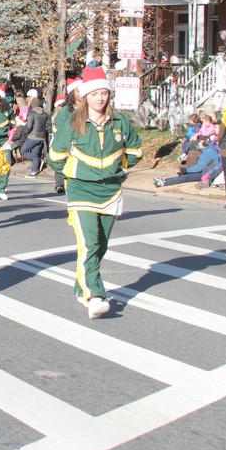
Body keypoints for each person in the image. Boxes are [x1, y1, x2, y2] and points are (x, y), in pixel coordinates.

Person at [48, 67, 142, 319]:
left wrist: (118, 169)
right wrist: (74, 173)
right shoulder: (73, 123)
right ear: (85, 96)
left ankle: (82, 286)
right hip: (80, 191)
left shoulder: (120, 122)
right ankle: (95, 295)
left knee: (101, 245)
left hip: (111, 191)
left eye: (104, 93)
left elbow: (135, 152)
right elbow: (55, 156)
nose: (100, 98)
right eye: (94, 94)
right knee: (89, 243)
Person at [51, 77, 82, 194]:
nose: (82, 94)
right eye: (79, 91)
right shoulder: (66, 111)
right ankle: (60, 183)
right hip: (70, 148)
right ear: (72, 93)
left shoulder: (90, 109)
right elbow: (57, 130)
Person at [154, 137, 221, 188]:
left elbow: (199, 168)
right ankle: (164, 180)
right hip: (206, 171)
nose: (198, 144)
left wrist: (186, 170)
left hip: (208, 174)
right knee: (184, 175)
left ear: (204, 143)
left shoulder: (208, 153)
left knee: (185, 177)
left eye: (199, 142)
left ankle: (164, 183)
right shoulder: (207, 151)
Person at [20, 97, 50, 178]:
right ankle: (33, 172)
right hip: (41, 138)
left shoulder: (32, 113)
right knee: (36, 154)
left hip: (32, 137)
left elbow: (29, 126)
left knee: (23, 151)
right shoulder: (46, 114)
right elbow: (48, 126)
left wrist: (24, 131)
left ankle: (37, 161)